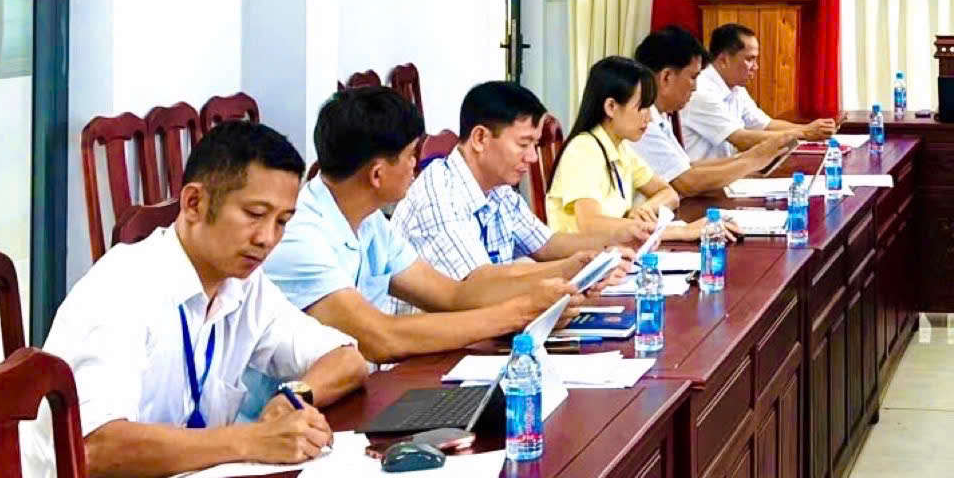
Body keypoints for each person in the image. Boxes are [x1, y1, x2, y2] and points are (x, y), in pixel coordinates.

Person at [19, 122, 369, 478]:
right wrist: (250, 440)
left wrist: (293, 396)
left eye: (282, 221)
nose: (267, 238)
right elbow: (94, 447)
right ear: (194, 203)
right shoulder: (123, 288)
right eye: (255, 215)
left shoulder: (244, 285)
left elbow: (347, 359)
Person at [264, 87, 585, 364]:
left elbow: (452, 295)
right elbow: (379, 337)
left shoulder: (369, 221)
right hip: (297, 407)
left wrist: (546, 293)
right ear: (377, 174)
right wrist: (520, 313)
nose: (415, 165)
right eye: (409, 155)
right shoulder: (299, 236)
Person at [391, 79, 641, 296]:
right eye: (523, 144)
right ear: (480, 138)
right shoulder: (440, 194)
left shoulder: (498, 188)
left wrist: (618, 239)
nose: (532, 157)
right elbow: (478, 282)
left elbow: (546, 245)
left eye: (535, 145)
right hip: (437, 333)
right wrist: (572, 268)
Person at [547, 56, 743, 241]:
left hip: (613, 251)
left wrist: (644, 210)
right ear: (611, 107)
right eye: (641, 108)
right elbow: (591, 225)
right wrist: (680, 231)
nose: (648, 118)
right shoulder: (584, 150)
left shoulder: (621, 148)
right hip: (583, 260)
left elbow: (669, 193)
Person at [632, 25, 797, 195]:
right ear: (666, 77)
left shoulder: (660, 115)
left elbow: (687, 166)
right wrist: (752, 161)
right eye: (693, 77)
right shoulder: (642, 121)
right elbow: (686, 182)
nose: (695, 87)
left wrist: (748, 158)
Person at [679, 23, 836, 162]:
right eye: (750, 59)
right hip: (703, 180)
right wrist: (805, 133)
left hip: (726, 173)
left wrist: (809, 128)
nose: (756, 67)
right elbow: (741, 139)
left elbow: (765, 126)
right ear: (723, 60)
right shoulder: (701, 92)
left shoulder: (736, 88)